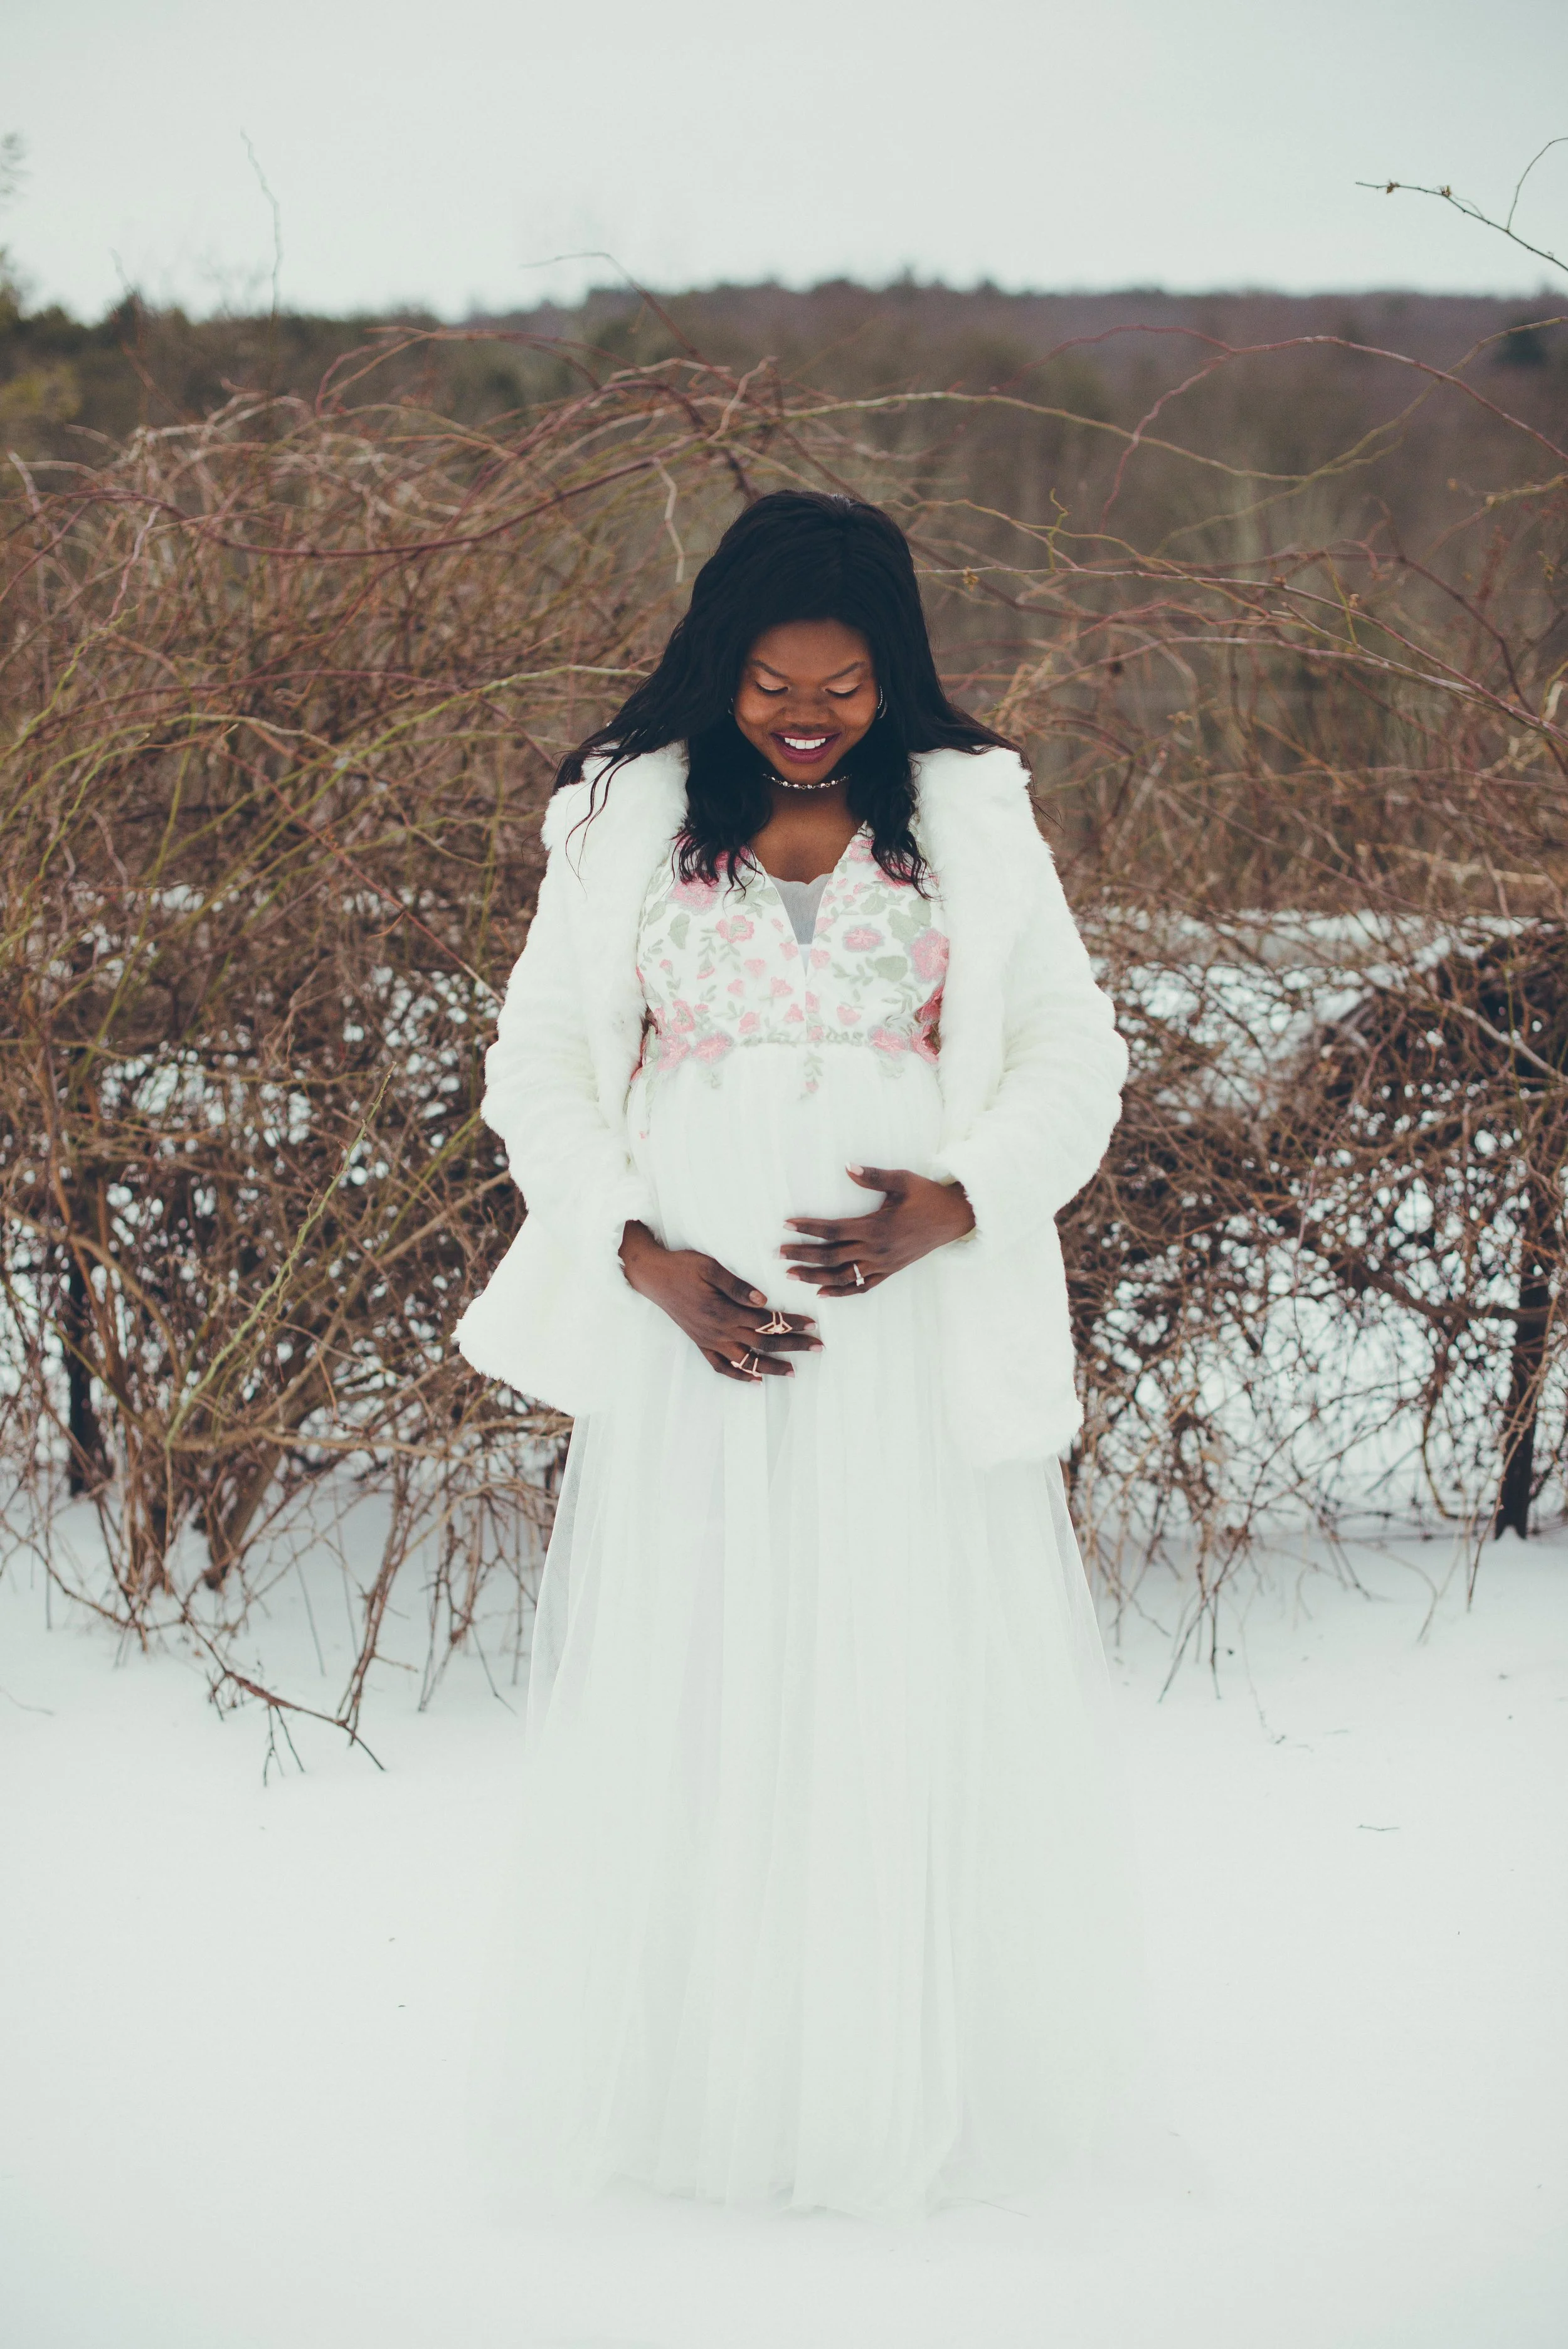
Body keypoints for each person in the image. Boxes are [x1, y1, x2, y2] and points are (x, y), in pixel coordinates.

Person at [457, 490, 1135, 2220]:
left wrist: (962, 1199)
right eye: (770, 681)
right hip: (699, 1332)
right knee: (708, 1682)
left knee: (892, 1670)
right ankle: (712, 2091)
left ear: (892, 669)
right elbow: (537, 1063)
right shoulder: (628, 814)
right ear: (720, 666)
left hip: (902, 1325)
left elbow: (1069, 1050)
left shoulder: (970, 816)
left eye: (841, 681)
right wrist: (635, 1249)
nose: (806, 714)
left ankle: (899, 2084)